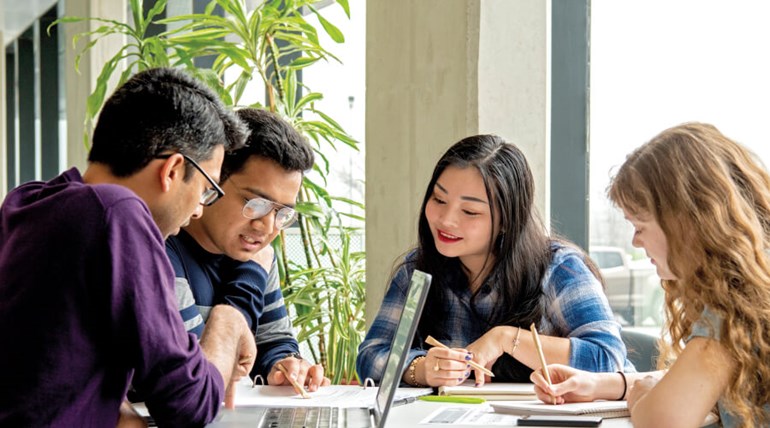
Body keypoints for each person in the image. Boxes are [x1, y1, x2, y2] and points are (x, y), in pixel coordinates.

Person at [0, 67, 256, 427]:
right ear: (172, 170)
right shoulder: (118, 214)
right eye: (206, 189)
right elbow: (190, 403)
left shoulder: (28, 203)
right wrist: (228, 322)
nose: (199, 209)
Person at [529, 122, 770, 428]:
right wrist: (608, 385)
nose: (635, 242)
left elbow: (662, 420)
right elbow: (691, 380)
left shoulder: (732, 304)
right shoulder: (752, 287)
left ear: (686, 221)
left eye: (640, 226)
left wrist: (641, 397)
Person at [357, 134, 631, 388]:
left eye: (470, 211)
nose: (446, 220)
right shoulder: (417, 270)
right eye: (439, 199)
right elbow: (371, 356)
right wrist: (420, 368)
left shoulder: (559, 268)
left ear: (506, 221)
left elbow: (607, 358)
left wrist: (506, 339)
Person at [167, 107, 330, 391]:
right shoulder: (164, 248)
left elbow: (274, 340)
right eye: (255, 204)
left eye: (282, 212)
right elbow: (199, 376)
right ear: (213, 180)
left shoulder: (254, 249)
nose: (266, 226)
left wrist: (286, 364)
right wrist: (253, 272)